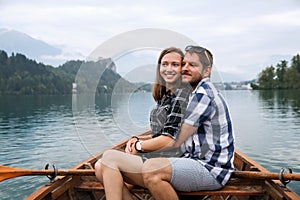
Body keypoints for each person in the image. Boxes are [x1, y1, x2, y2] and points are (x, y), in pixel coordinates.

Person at [94, 47, 191, 200]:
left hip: (171, 164)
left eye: (174, 64)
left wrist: (139, 146)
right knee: (100, 167)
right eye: (164, 64)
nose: (169, 68)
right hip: (157, 157)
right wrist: (137, 139)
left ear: (182, 69)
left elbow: (169, 139)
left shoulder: (182, 94)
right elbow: (160, 134)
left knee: (109, 157)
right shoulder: (167, 96)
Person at [141, 45, 235, 200]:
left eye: (193, 65)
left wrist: (140, 146)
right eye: (184, 64)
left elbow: (175, 141)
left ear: (207, 71)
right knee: (148, 167)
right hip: (195, 160)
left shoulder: (203, 94)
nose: (185, 68)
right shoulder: (195, 92)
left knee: (152, 169)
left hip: (211, 169)